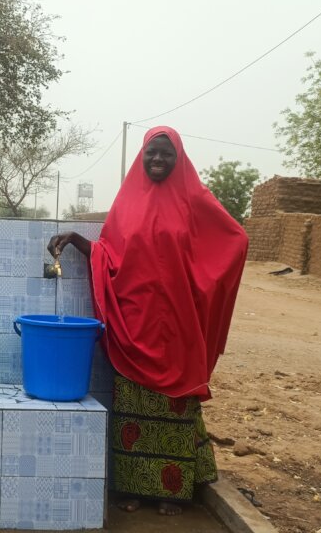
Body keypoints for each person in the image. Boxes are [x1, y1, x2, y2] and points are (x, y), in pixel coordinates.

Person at [48, 126, 247, 516]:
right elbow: (110, 254)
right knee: (133, 408)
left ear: (179, 159)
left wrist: (201, 283)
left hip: (177, 326)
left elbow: (234, 239)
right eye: (151, 154)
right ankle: (134, 487)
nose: (157, 160)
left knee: (175, 403)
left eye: (165, 154)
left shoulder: (195, 200)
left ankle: (171, 490)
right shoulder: (127, 204)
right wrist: (75, 238)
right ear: (142, 156)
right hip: (134, 322)